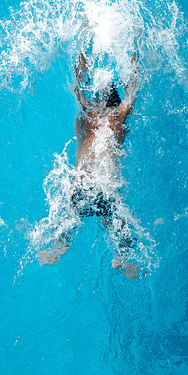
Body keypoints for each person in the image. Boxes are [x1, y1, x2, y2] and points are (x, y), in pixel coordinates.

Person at [39, 51, 140, 279]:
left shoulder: (85, 115)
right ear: (116, 102)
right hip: (106, 189)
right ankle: (122, 256)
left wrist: (82, 52)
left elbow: (78, 84)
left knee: (69, 214)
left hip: (81, 185)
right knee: (113, 218)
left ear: (95, 99)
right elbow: (134, 91)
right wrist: (133, 55)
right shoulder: (119, 117)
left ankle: (62, 244)